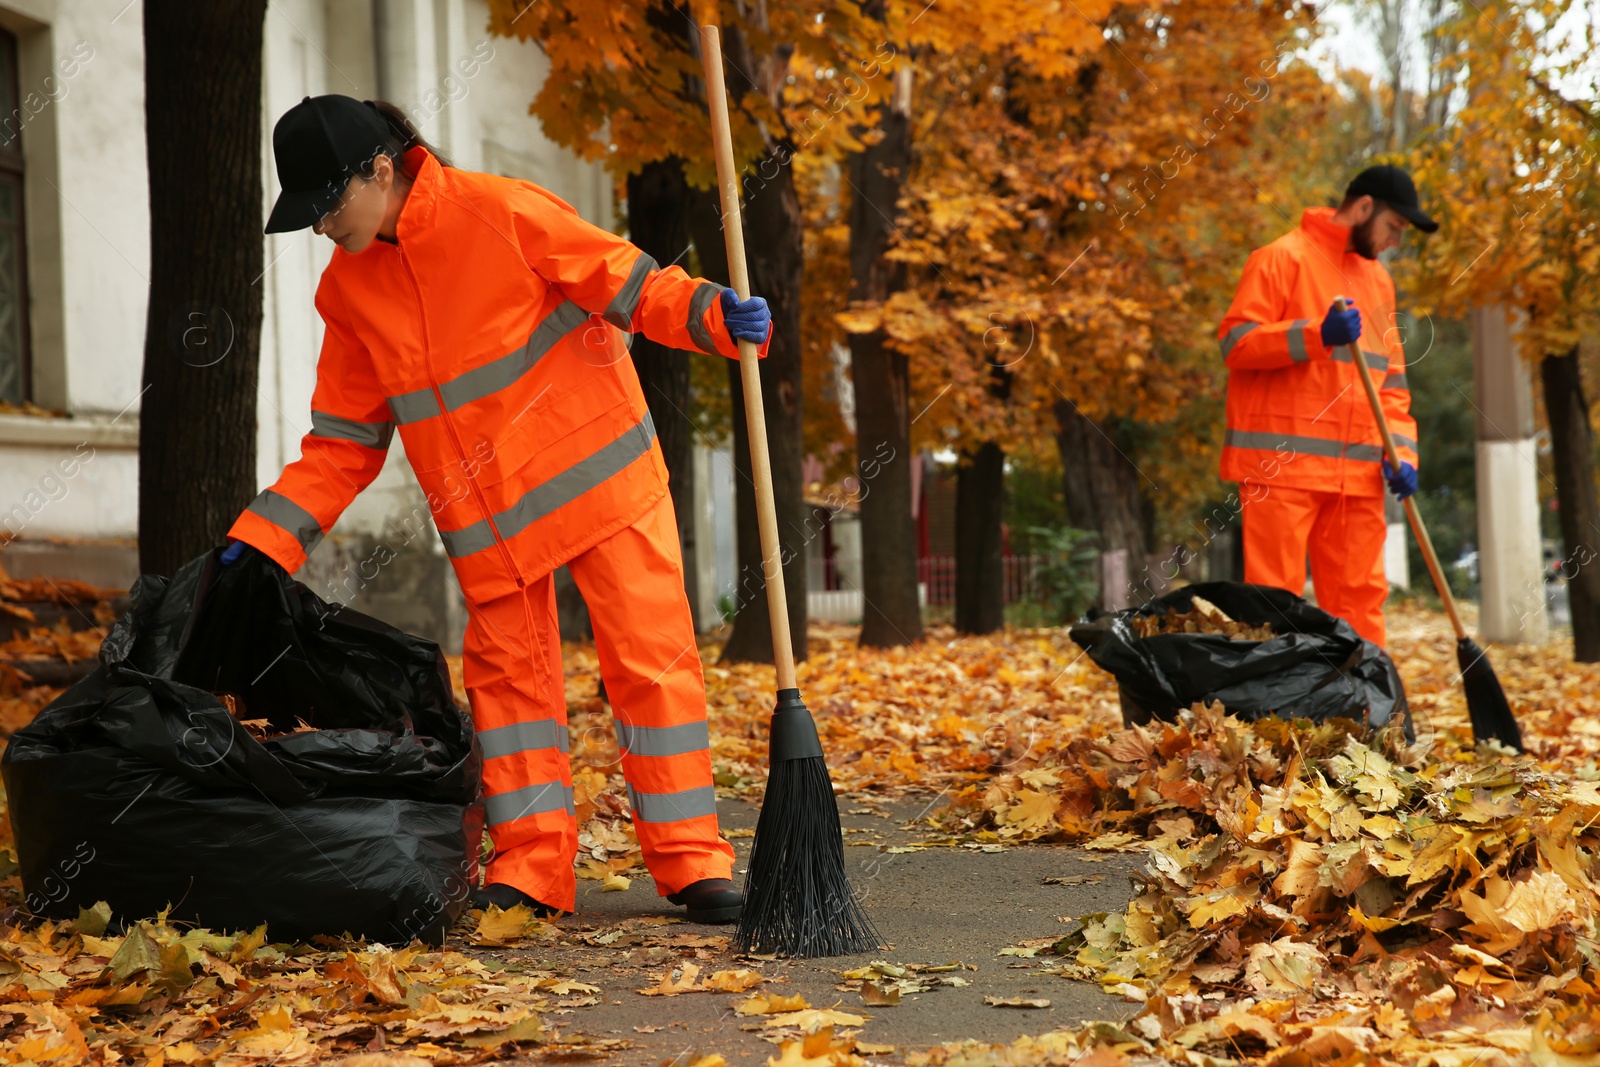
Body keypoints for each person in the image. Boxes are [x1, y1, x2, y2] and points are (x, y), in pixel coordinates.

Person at [222, 94, 772, 923]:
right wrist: (262, 539)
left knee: (652, 667)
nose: (320, 227)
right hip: (490, 531)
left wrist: (711, 314)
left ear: (380, 169)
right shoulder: (348, 294)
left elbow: (631, 287)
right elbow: (342, 445)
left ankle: (693, 859)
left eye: (328, 205)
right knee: (510, 692)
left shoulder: (502, 210)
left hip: (602, 486)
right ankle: (532, 865)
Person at [1216, 164, 1438, 648]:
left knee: (1361, 602)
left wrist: (1402, 454)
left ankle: (1365, 711)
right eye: (1393, 227)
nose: (1395, 241)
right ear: (1363, 208)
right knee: (1275, 604)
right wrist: (1315, 335)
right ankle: (1272, 713)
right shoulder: (1279, 259)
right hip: (1282, 470)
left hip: (1356, 478)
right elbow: (1237, 343)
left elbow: (1392, 385)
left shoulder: (1380, 283)